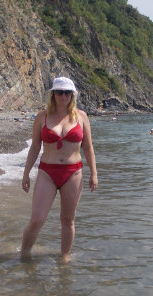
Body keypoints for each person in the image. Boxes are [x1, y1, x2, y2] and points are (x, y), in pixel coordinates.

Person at [21, 76, 98, 262]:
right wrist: (26, 173)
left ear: (72, 95)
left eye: (67, 92)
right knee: (37, 218)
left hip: (73, 173)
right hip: (47, 172)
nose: (63, 96)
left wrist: (94, 173)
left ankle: (65, 258)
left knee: (68, 220)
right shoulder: (42, 117)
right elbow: (35, 147)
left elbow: (88, 147)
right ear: (53, 94)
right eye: (59, 92)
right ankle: (23, 254)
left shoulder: (81, 117)